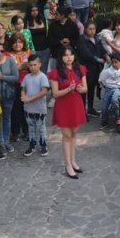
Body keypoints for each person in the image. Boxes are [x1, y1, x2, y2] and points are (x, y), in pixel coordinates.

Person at [49, 45, 88, 179]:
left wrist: (78, 88)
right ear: (61, 57)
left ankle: (73, 160)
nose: (68, 57)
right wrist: (68, 89)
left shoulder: (80, 69)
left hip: (76, 104)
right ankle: (68, 165)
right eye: (65, 55)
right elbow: (55, 94)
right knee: (66, 135)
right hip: (63, 105)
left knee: (74, 133)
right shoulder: (56, 72)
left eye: (70, 54)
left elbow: (85, 88)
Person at [21, 55, 50, 159]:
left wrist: (30, 98)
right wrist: (23, 95)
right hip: (28, 109)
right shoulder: (26, 77)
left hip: (40, 109)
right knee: (31, 128)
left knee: (41, 128)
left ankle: (43, 145)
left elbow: (44, 91)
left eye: (35, 65)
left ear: (40, 65)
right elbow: (23, 88)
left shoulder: (43, 77)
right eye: (30, 65)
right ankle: (32, 145)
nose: (32, 67)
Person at [77, 20, 106, 117]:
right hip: (85, 67)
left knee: (92, 88)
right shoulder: (81, 39)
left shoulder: (97, 38)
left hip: (95, 68)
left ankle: (90, 108)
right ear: (85, 29)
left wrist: (106, 56)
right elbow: (86, 54)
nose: (92, 31)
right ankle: (82, 111)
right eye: (90, 29)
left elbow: (102, 50)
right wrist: (98, 59)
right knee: (84, 89)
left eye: (94, 29)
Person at [6, 33, 30, 143]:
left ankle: (27, 131)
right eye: (15, 42)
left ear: (23, 43)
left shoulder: (29, 53)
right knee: (15, 109)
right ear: (11, 44)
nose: (17, 44)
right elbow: (8, 69)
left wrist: (18, 67)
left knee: (26, 108)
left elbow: (34, 66)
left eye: (20, 42)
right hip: (13, 84)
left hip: (27, 85)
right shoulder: (7, 54)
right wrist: (21, 67)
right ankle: (15, 132)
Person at [98, 52, 120, 131]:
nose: (114, 64)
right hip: (108, 88)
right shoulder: (108, 70)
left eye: (116, 62)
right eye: (112, 62)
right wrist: (106, 85)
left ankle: (118, 117)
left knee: (115, 100)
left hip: (119, 88)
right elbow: (101, 79)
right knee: (104, 107)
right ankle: (104, 121)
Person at [25, 4, 49, 73]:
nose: (35, 12)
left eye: (36, 10)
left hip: (45, 49)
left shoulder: (43, 19)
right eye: (32, 10)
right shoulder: (26, 22)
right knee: (33, 71)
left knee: (44, 70)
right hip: (33, 50)